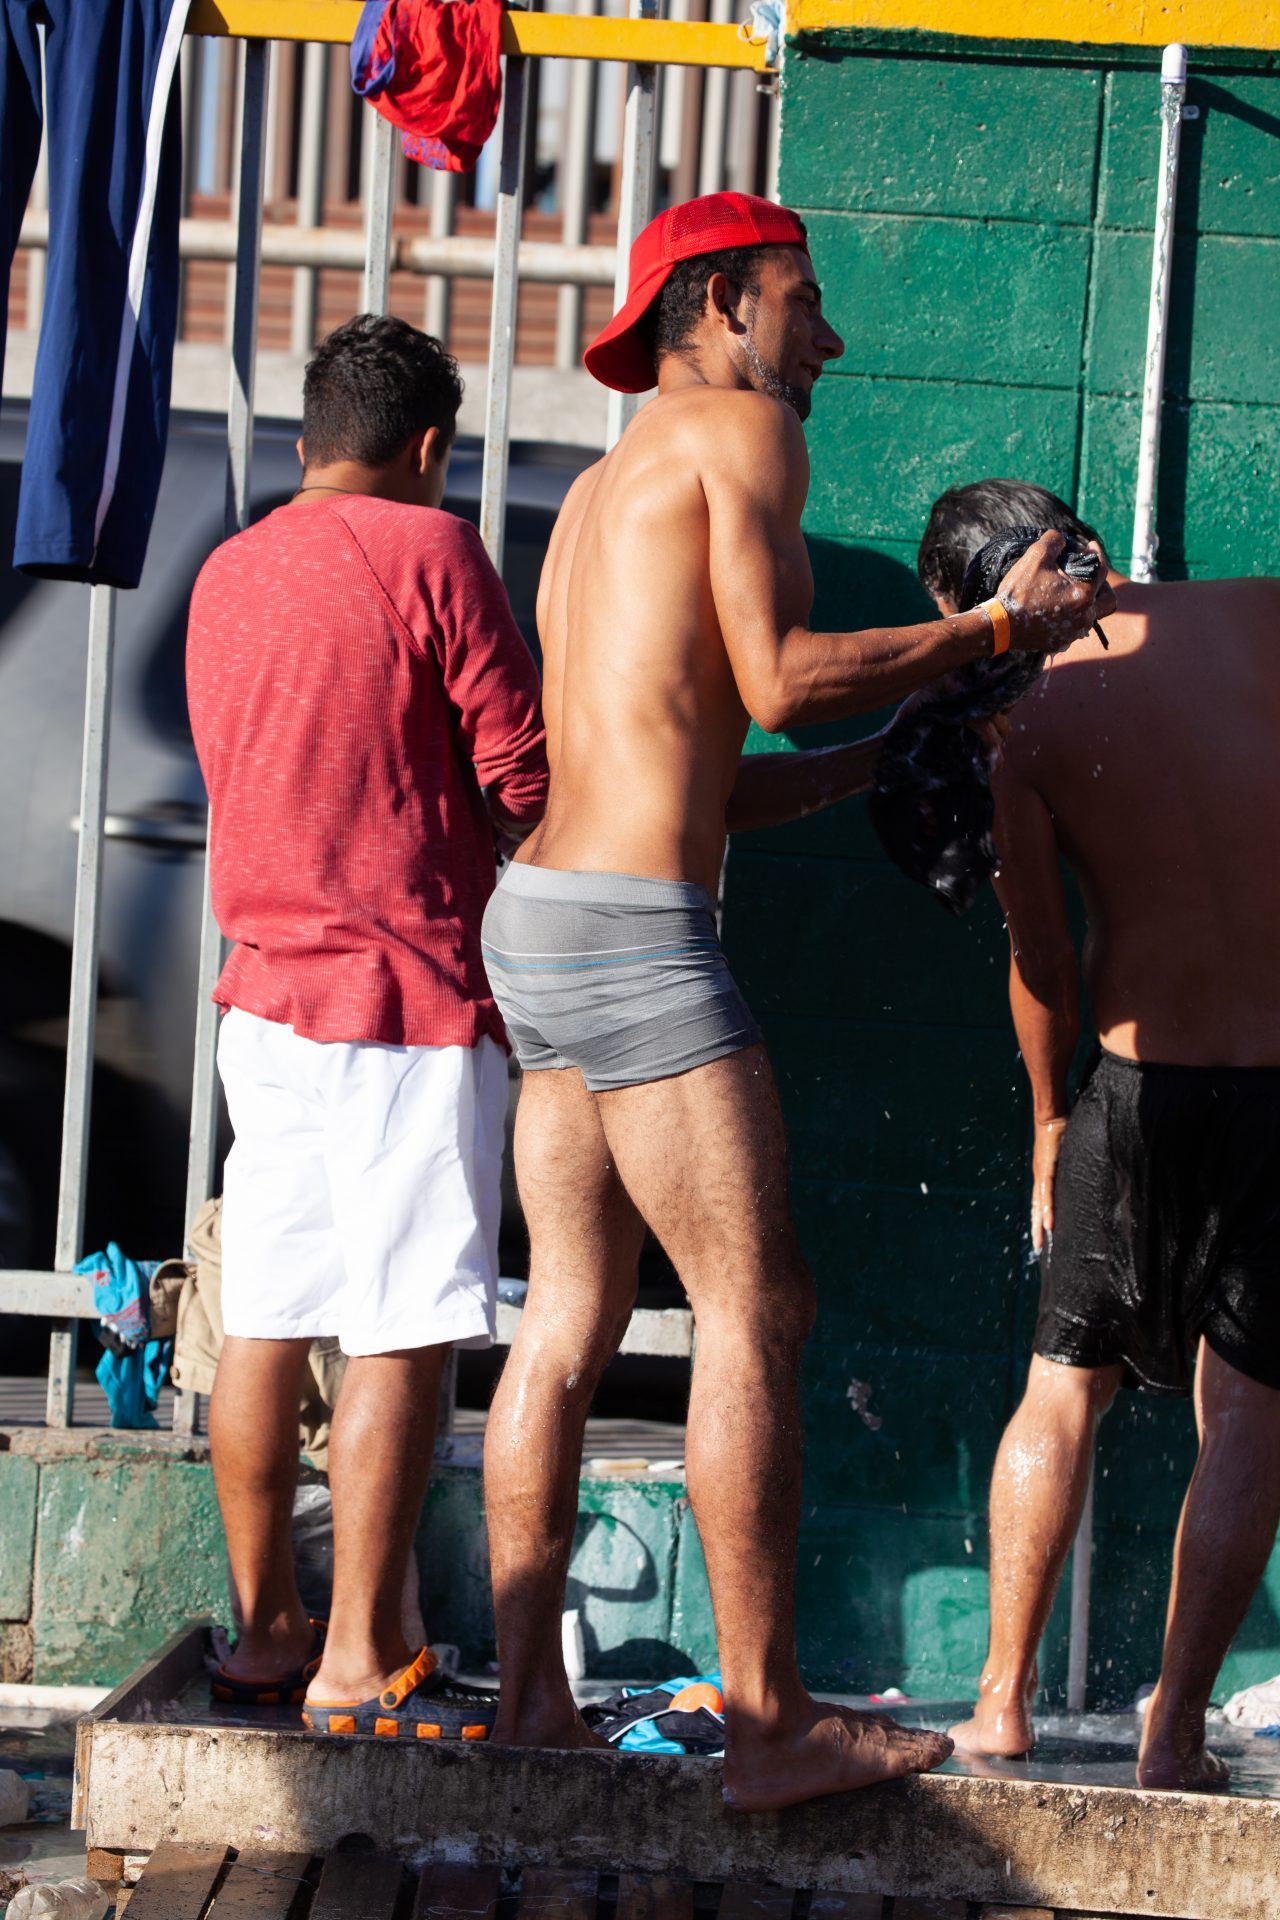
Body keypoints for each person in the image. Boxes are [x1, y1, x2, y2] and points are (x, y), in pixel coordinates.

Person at [478, 192, 1111, 1812]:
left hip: (539, 921)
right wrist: (994, 626)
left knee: (565, 1317)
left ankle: (532, 1703)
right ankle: (770, 1722)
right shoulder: (744, 434)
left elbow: (691, 775)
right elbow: (774, 676)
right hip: (634, 940)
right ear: (722, 304)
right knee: (760, 1309)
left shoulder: (604, 490)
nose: (828, 337)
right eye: (804, 298)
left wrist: (871, 761)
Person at [186, 314, 548, 1735]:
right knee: (403, 1327)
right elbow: (523, 776)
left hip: (264, 997)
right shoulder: (436, 551)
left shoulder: (227, 571)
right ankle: (354, 1659)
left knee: (268, 1319)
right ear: (429, 448)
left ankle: (268, 1631)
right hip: (405, 999)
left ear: (306, 440)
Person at [917, 476, 1280, 1790]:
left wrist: (1048, 1119)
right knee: (1250, 1418)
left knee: (1061, 1386)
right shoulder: (1258, 614)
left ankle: (999, 1701)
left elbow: (1044, 963)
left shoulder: (1024, 718)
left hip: (1130, 1088)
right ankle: (1173, 1731)